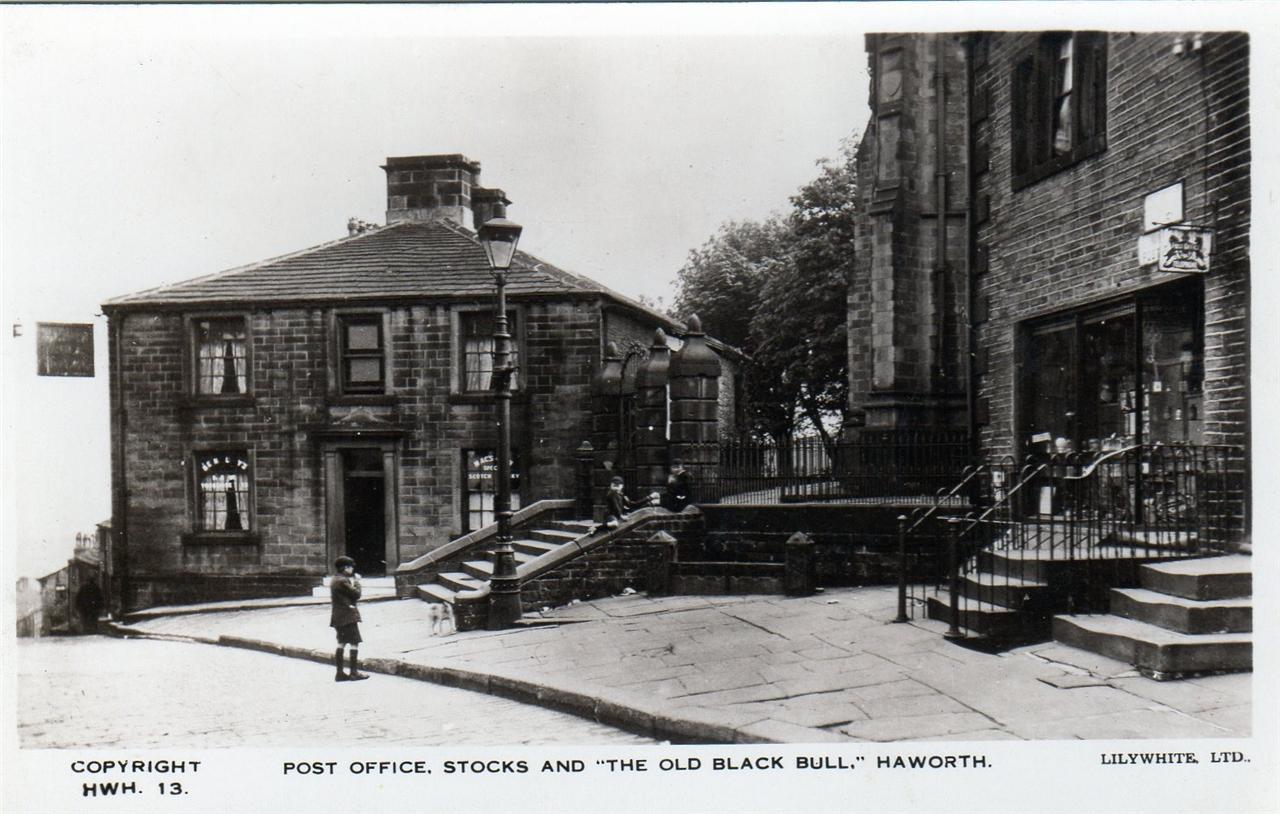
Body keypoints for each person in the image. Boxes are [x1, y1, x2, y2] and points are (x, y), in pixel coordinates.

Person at [330, 556, 369, 682]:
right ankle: (353, 672)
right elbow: (356, 595)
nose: (352, 569)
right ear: (345, 568)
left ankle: (340, 673)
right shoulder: (343, 581)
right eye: (350, 567)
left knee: (341, 642)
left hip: (338, 616)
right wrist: (357, 582)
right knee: (354, 642)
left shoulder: (335, 579)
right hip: (348, 616)